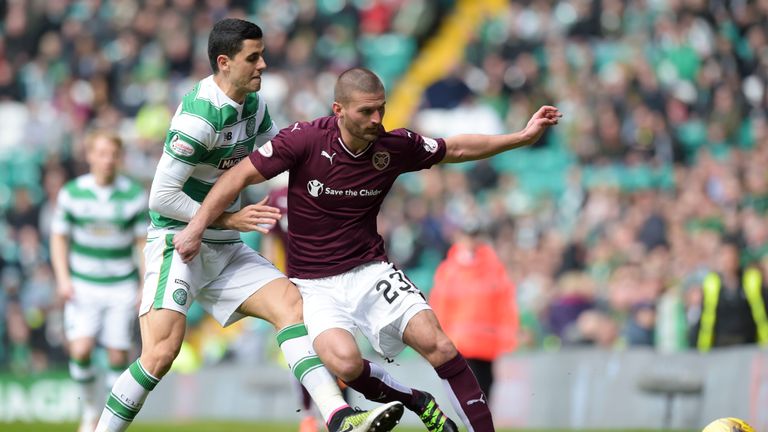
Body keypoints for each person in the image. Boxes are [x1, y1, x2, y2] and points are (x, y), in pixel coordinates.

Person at [174, 67, 562, 432]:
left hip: (370, 270)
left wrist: (520, 137)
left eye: (381, 109)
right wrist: (197, 226)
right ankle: (416, 400)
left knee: (439, 344)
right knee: (344, 363)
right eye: (367, 111)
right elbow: (240, 175)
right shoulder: (304, 140)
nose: (377, 119)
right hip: (314, 286)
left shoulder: (395, 146)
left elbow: (455, 149)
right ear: (338, 110)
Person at [94, 19, 402, 432]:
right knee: (159, 355)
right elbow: (160, 199)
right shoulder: (198, 118)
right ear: (224, 63)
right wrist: (230, 217)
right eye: (253, 58)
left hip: (224, 246)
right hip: (177, 242)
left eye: (262, 55)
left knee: (292, 306)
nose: (263, 65)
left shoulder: (254, 107)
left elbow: (284, 158)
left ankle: (338, 417)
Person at [50, 130, 148, 432]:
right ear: (89, 155)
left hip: (120, 285)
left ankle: (108, 421)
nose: (107, 160)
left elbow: (141, 243)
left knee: (117, 354)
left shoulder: (132, 195)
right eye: (101, 153)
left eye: (113, 154)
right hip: (83, 285)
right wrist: (63, 279)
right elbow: (58, 237)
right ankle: (90, 413)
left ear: (119, 158)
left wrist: (144, 284)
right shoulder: (72, 193)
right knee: (80, 350)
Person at [429, 222, 519, 400]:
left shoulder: (493, 268)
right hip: (460, 341)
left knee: (486, 383)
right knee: (471, 386)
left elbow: (505, 304)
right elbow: (440, 305)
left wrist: (508, 334)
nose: (471, 240)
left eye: (474, 235)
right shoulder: (449, 270)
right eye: (467, 235)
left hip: (487, 340)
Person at [692, 238, 768, 351]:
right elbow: (705, 321)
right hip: (720, 349)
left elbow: (762, 314)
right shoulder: (711, 283)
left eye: (731, 255)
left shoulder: (751, 280)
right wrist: (702, 352)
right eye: (724, 255)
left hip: (748, 347)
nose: (728, 260)